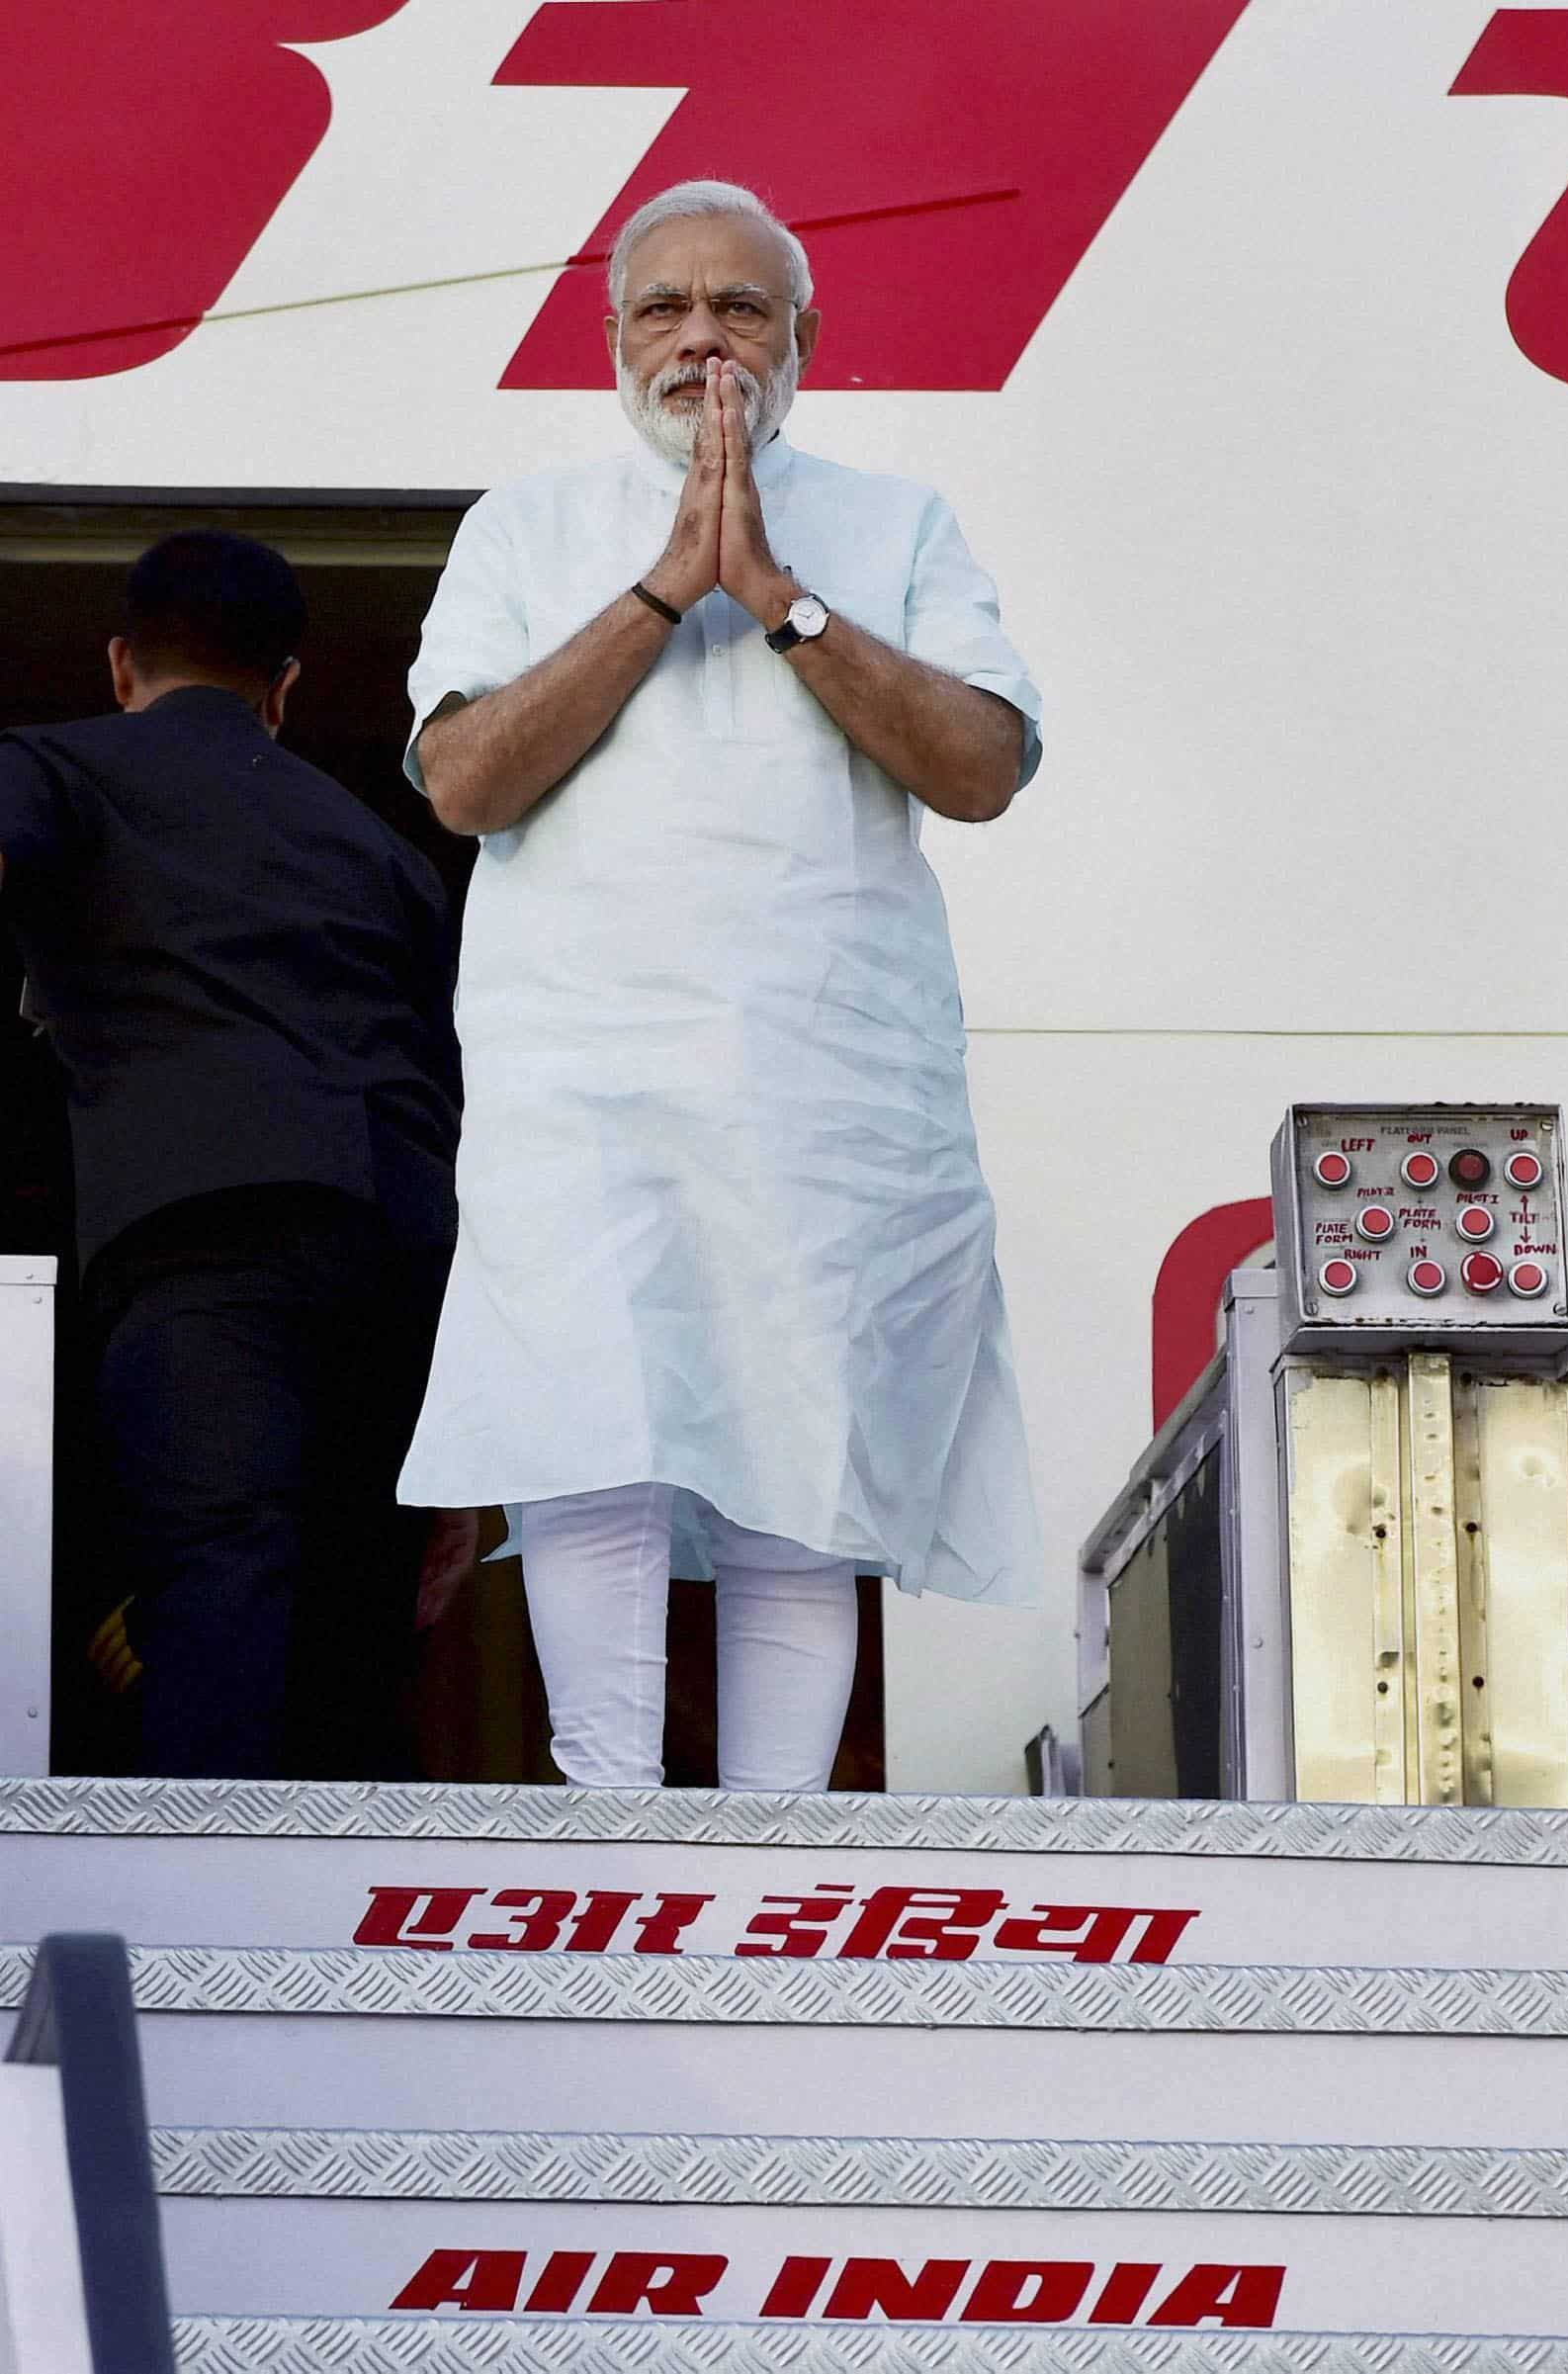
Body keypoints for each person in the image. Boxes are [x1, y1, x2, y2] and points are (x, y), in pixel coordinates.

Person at [402, 178, 1044, 1792]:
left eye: (738, 306)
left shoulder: (893, 524)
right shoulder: (523, 527)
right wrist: (660, 591)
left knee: (797, 1462)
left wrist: (774, 595)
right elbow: (463, 779)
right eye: (662, 307)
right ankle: (609, 1837)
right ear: (609, 339)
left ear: (801, 339)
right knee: (582, 1425)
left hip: (818, 1078)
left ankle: (769, 1858)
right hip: (584, 1076)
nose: (700, 337)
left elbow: (979, 765)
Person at [0, 531, 471, 1780]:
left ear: (118, 664)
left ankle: (196, 1939)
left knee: (217, 1572)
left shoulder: (55, 767)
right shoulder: (382, 850)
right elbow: (456, 1086)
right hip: (403, 1251)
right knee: (361, 1606)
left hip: (204, 1238)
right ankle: (342, 1942)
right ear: (286, 685)